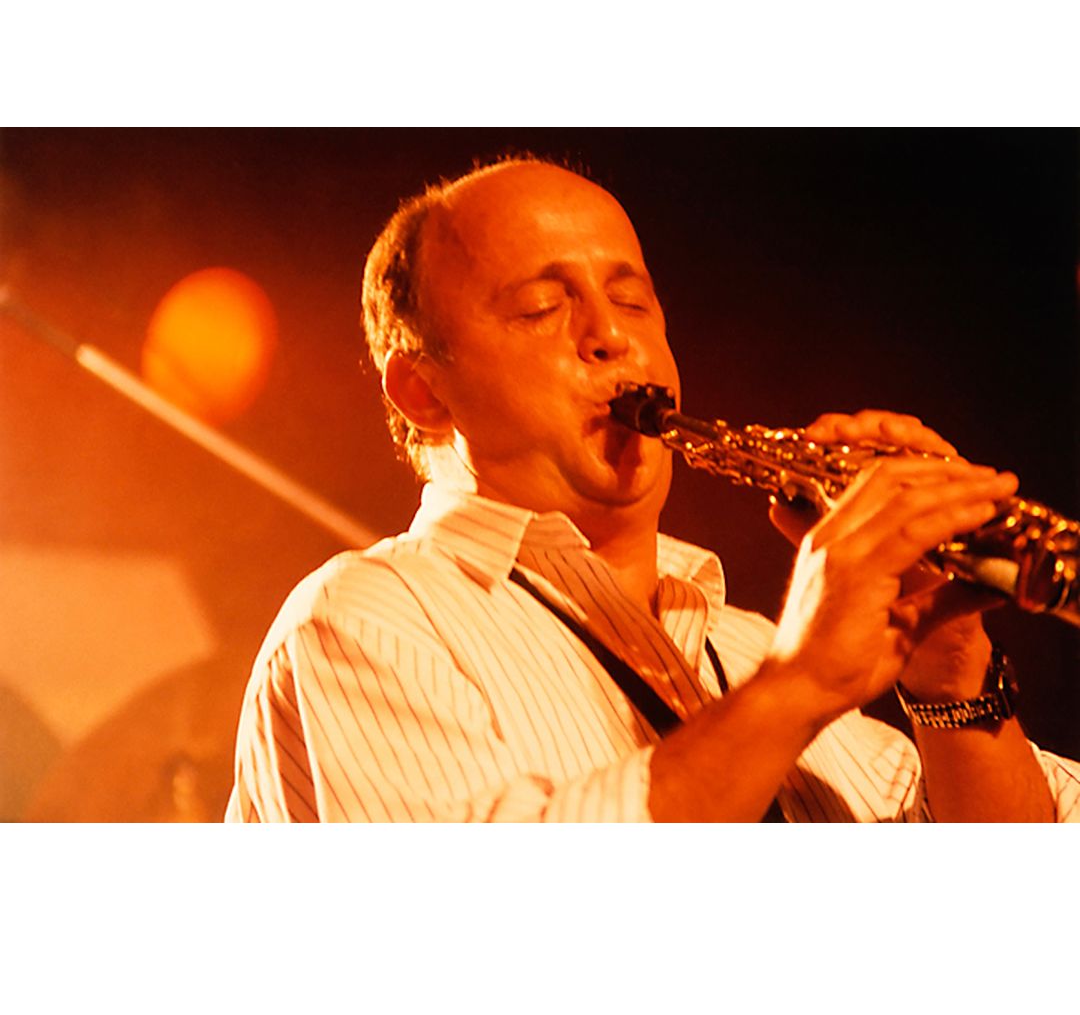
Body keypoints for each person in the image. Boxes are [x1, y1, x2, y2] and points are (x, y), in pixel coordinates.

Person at [226, 157, 1080, 822]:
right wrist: (800, 685)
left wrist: (952, 678)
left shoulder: (748, 648)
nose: (609, 334)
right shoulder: (365, 619)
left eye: (632, 301)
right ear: (423, 391)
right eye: (541, 307)